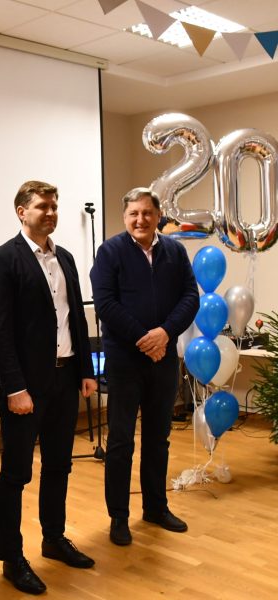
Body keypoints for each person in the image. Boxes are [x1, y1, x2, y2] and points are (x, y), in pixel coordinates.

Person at [0, 180, 97, 595]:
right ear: (21, 211)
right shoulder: (2, 260)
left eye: (54, 207)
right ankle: (12, 558)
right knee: (16, 474)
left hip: (65, 378)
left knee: (59, 465)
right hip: (25, 387)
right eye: (42, 206)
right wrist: (15, 387)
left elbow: (76, 317)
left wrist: (86, 369)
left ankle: (54, 538)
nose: (50, 213)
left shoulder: (65, 258)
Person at [90, 187, 199, 547]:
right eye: (134, 213)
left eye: (147, 213)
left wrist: (164, 333)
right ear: (125, 217)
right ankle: (118, 517)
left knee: (158, 438)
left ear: (158, 216)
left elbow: (190, 297)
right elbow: (105, 303)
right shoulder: (110, 252)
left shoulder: (174, 252)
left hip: (163, 358)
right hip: (125, 361)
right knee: (121, 441)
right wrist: (144, 338)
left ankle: (155, 507)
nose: (141, 219)